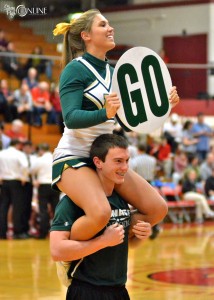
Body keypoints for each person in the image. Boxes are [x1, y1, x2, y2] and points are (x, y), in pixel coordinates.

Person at [52, 9, 180, 242]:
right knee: (101, 213)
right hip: (74, 156)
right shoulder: (75, 69)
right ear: (86, 36)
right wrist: (105, 112)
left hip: (105, 157)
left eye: (109, 24)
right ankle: (70, 255)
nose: (110, 28)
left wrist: (163, 102)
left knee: (157, 209)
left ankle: (115, 247)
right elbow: (70, 117)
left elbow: (124, 120)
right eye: (103, 25)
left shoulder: (115, 72)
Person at [50, 133, 152, 299]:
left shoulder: (121, 200)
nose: (125, 167)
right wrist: (102, 241)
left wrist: (141, 236)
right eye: (118, 161)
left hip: (119, 290)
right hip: (86, 290)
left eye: (127, 161)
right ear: (98, 162)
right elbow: (57, 251)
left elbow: (126, 244)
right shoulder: (72, 202)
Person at [0, 139, 29, 239]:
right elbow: (25, 166)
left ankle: (2, 233)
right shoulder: (19, 154)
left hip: (4, 182)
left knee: (3, 207)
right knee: (17, 207)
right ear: (17, 145)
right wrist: (24, 177)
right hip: (16, 182)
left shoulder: (2, 153)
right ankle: (18, 232)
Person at [31, 143, 60, 238]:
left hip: (43, 185)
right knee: (56, 208)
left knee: (43, 209)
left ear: (40, 150)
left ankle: (43, 232)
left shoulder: (39, 159)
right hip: (55, 185)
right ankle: (58, 231)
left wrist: (35, 178)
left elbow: (32, 170)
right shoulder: (55, 158)